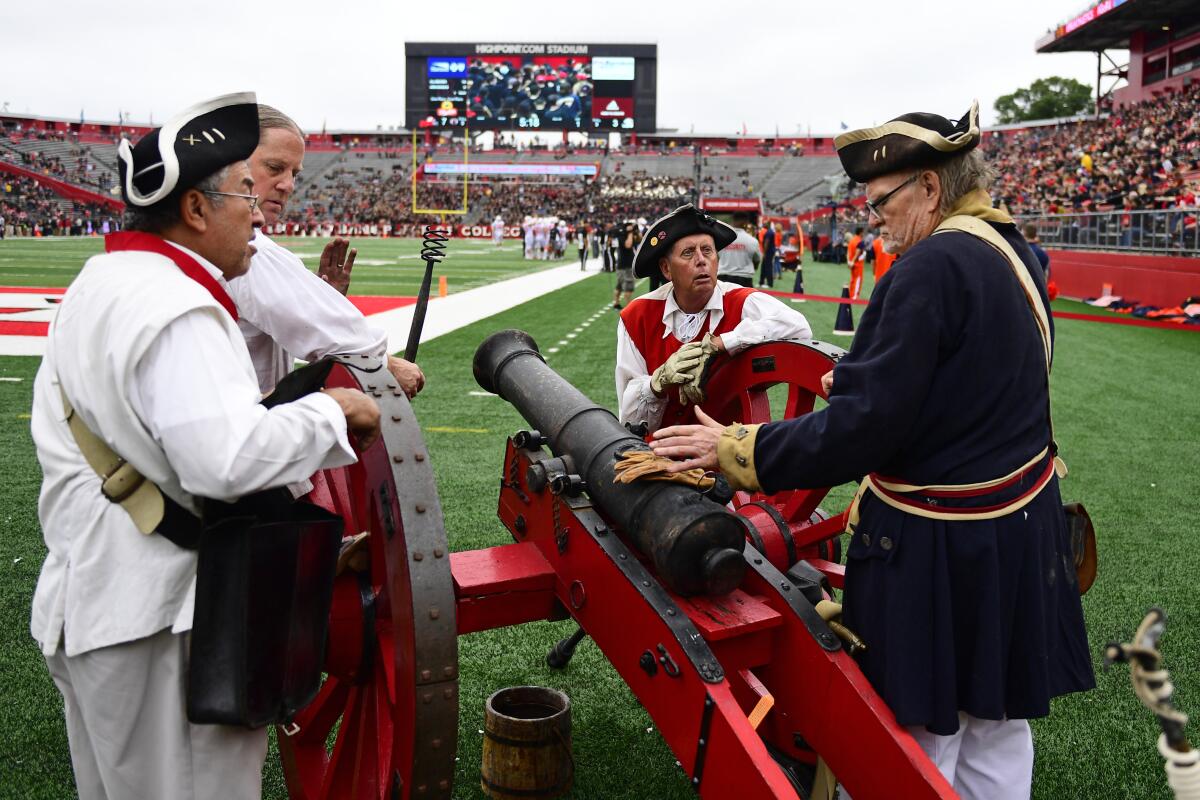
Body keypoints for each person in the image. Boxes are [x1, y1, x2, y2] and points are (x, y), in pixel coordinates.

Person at [650, 102, 1094, 800]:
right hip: (1019, 525)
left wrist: (734, 445)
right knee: (998, 723)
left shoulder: (927, 269)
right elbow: (980, 374)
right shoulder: (1011, 248)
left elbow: (859, 433)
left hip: (943, 545)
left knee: (918, 733)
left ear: (927, 186)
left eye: (883, 199)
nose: (874, 216)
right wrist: (870, 379)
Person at [29, 93, 381, 800]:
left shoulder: (103, 282)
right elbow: (223, 460)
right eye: (246, 192)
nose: (260, 212)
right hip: (165, 620)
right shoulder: (178, 307)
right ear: (194, 209)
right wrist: (332, 413)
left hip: (97, 598)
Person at [225, 104, 424, 397]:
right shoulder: (249, 250)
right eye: (275, 168)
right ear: (234, 165)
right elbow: (345, 344)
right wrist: (386, 365)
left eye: (294, 173)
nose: (288, 185)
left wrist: (320, 295)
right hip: (244, 428)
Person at [616, 204, 811, 433]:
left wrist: (721, 344)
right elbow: (628, 418)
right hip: (660, 453)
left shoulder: (741, 300)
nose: (701, 260)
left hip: (726, 455)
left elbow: (799, 327)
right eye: (688, 253)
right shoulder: (637, 315)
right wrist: (657, 383)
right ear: (666, 269)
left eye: (707, 251)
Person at [716, 222, 760, 288]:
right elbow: (757, 259)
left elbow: (716, 257)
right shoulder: (752, 240)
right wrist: (755, 267)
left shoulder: (721, 238)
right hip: (744, 277)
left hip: (723, 276)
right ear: (745, 225)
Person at [613, 220, 638, 309]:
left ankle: (616, 303)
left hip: (622, 265)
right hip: (625, 266)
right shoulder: (622, 235)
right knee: (628, 287)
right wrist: (630, 233)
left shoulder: (624, 234)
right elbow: (628, 245)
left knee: (619, 285)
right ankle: (629, 308)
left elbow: (638, 240)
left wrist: (634, 232)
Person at [846, 226, 866, 298]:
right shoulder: (860, 241)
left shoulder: (852, 240)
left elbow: (848, 252)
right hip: (857, 264)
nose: (863, 233)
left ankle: (850, 294)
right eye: (863, 232)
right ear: (860, 232)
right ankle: (854, 296)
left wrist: (849, 261)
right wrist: (853, 261)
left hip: (852, 263)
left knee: (853, 279)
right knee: (858, 280)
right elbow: (857, 253)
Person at [758, 221, 776, 288]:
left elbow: (766, 243)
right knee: (764, 267)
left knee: (768, 267)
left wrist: (764, 253)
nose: (763, 224)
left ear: (768, 224)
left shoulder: (769, 232)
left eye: (764, 223)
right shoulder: (769, 231)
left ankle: (769, 284)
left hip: (768, 252)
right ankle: (761, 282)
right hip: (769, 252)